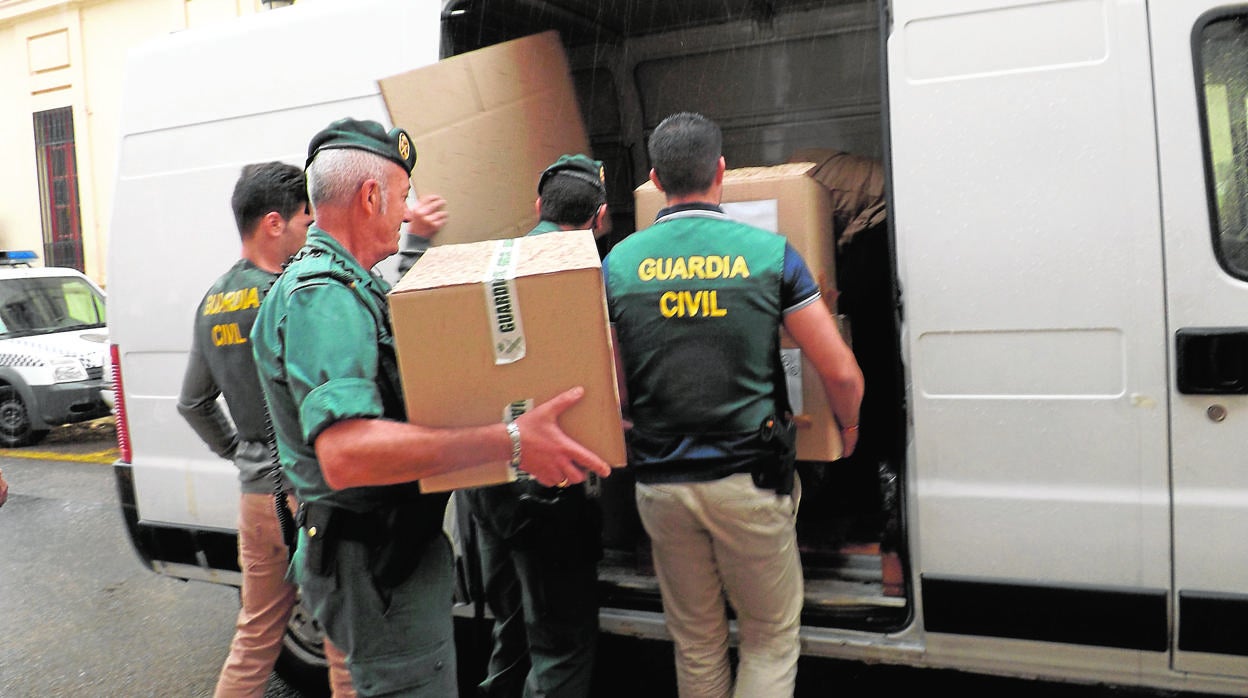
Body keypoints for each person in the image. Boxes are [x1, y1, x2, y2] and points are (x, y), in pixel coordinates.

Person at [249, 117, 613, 697]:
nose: (407, 209)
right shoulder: (324, 296)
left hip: (384, 553)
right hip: (375, 561)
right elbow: (347, 454)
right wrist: (512, 441)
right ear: (370, 197)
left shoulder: (350, 285)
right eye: (401, 195)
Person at [602, 112, 865, 698]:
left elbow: (615, 388)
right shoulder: (770, 255)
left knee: (696, 642)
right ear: (721, 170)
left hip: (661, 483)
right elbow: (841, 371)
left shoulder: (618, 264)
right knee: (769, 638)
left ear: (655, 178)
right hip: (749, 476)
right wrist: (847, 427)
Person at [176, 161, 357, 698]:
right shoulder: (292, 296)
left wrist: (240, 451)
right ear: (274, 223)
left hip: (258, 497)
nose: (312, 231)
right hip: (311, 489)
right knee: (344, 645)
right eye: (306, 219)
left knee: (255, 640)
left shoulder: (213, 300)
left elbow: (192, 402)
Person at [460, 154, 610, 698]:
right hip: (547, 490)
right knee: (562, 646)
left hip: (484, 480)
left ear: (538, 206)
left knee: (513, 627)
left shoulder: (482, 267)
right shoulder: (585, 275)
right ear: (599, 216)